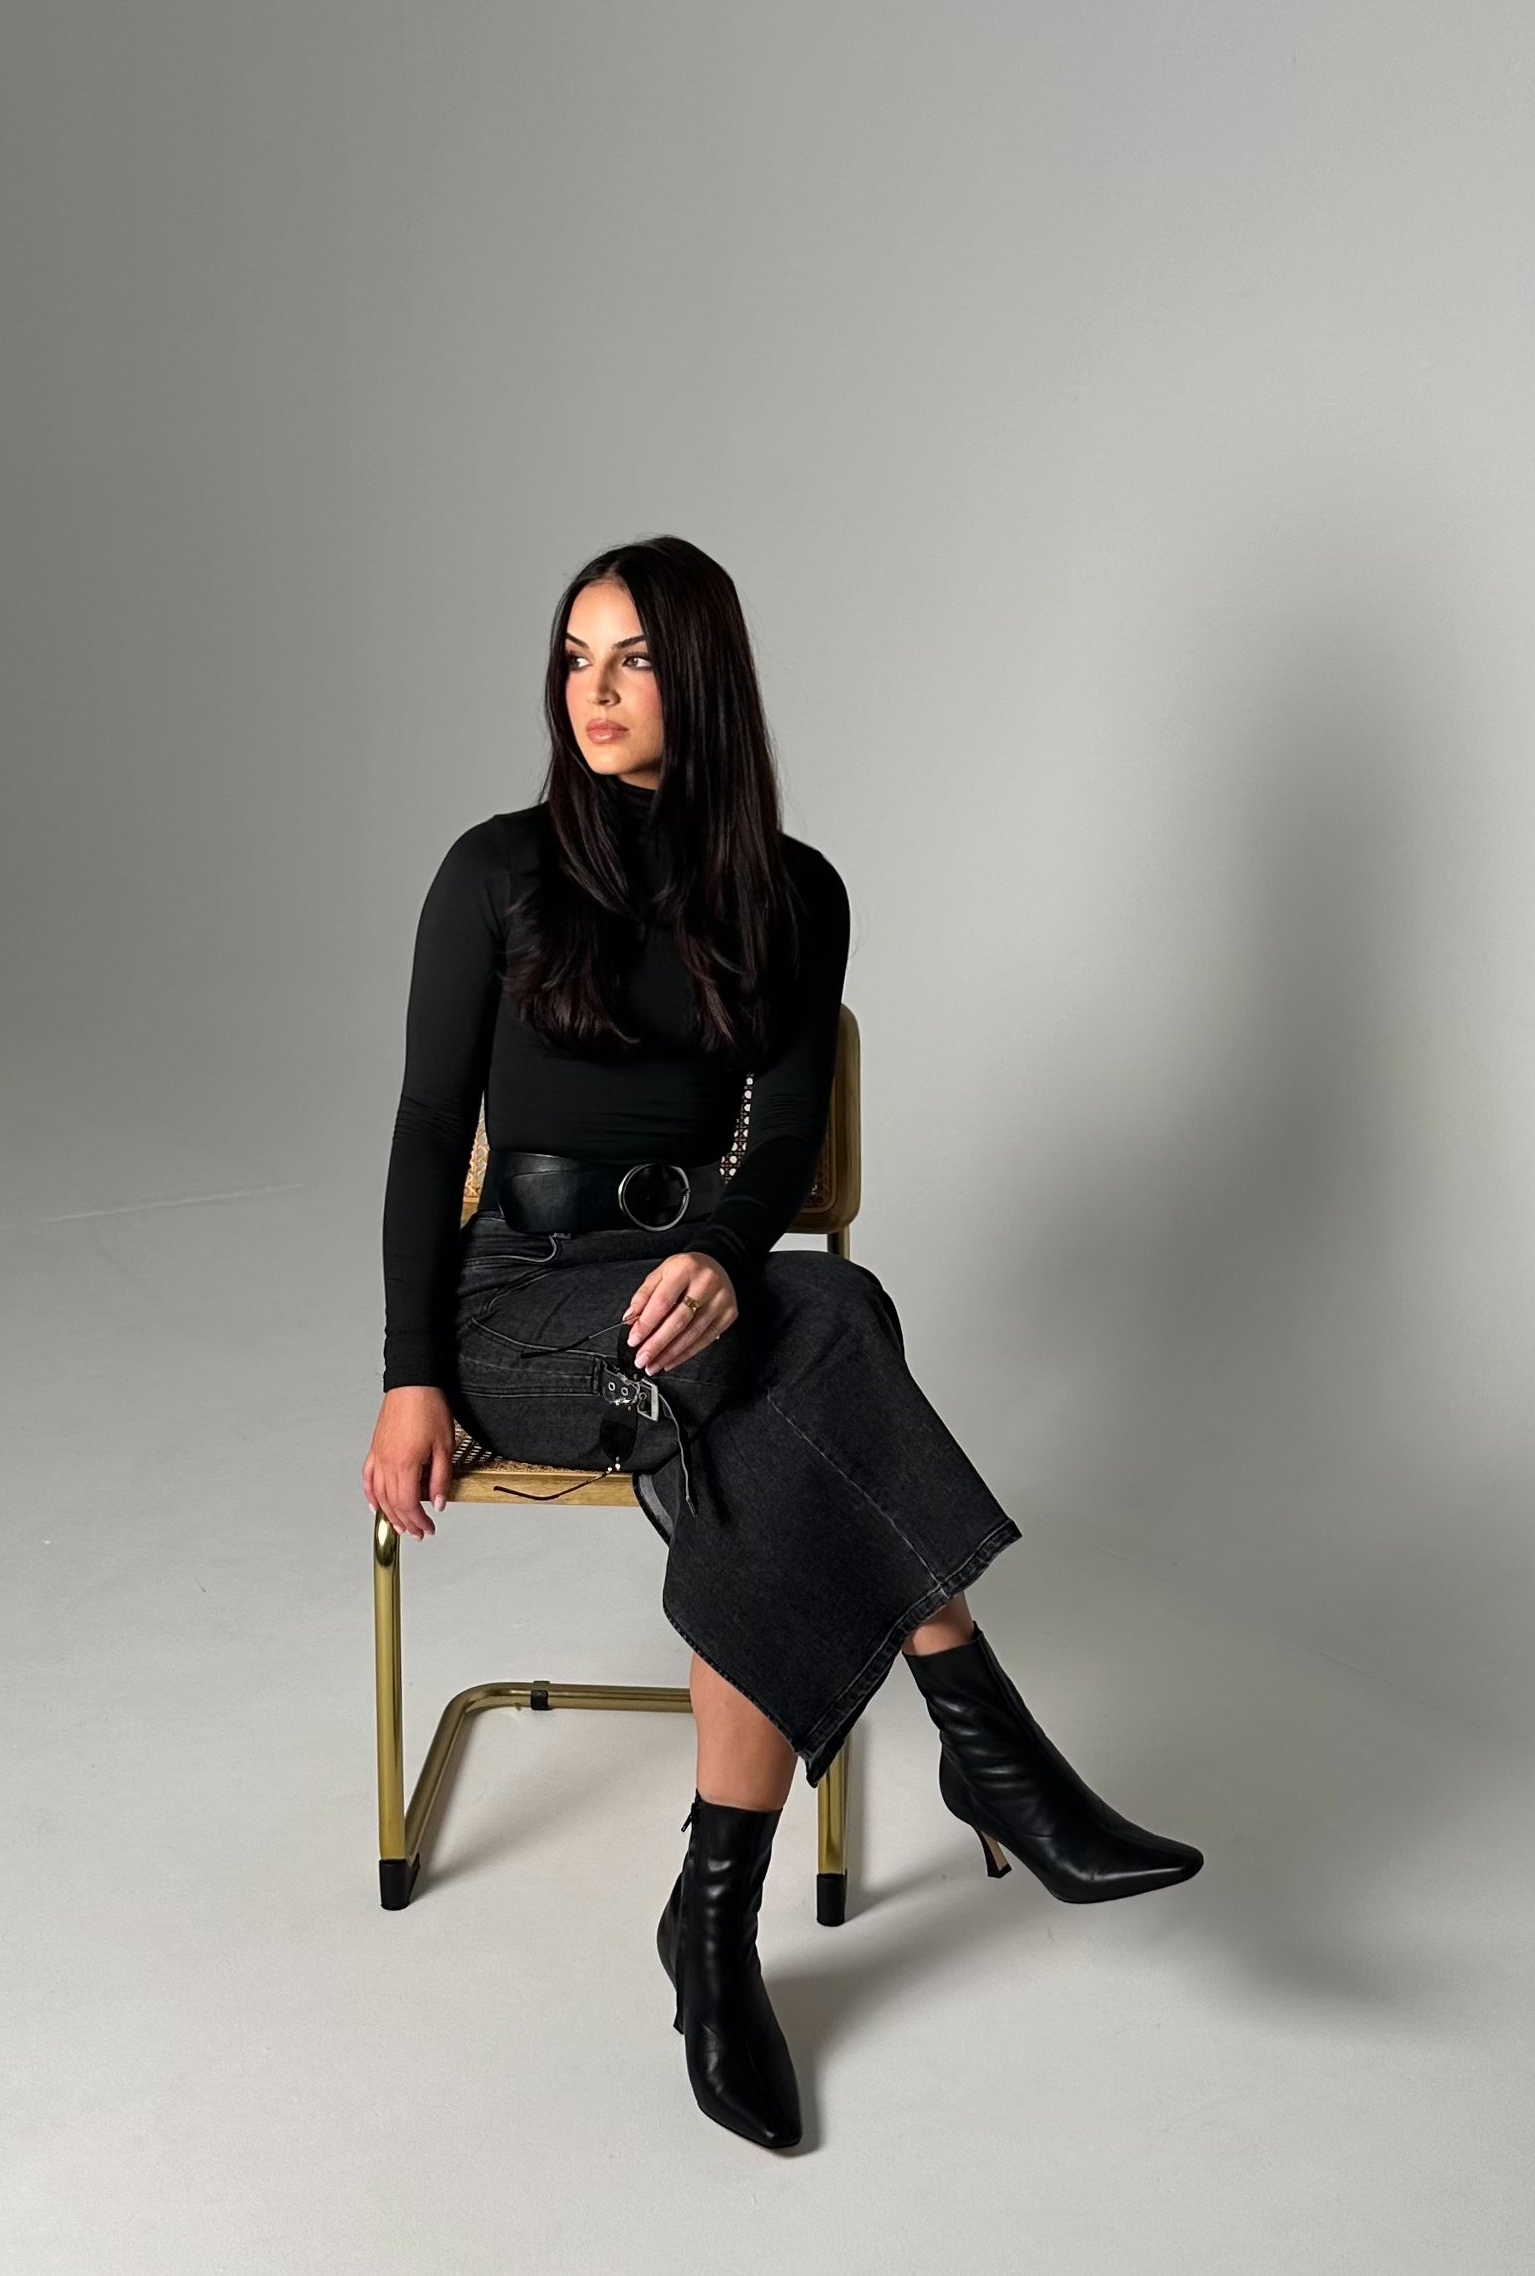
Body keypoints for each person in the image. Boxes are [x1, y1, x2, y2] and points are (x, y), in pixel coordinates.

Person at [362, 535, 1203, 2154]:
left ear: (703, 676)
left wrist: (724, 1259)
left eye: (633, 660)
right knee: (835, 1330)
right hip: (516, 1307)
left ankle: (716, 1922)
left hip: (684, 1291)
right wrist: (410, 1371)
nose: (593, 693)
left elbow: (779, 1146)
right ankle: (988, 1754)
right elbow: (420, 1134)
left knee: (805, 1322)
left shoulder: (794, 892)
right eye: (574, 660)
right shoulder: (493, 871)